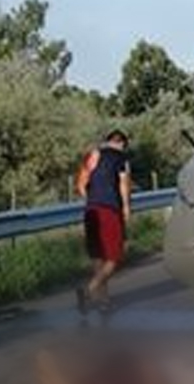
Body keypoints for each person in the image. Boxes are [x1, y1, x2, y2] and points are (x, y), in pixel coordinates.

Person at [75, 130, 132, 314]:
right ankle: (89, 291)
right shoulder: (121, 158)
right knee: (115, 256)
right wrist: (126, 207)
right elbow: (124, 184)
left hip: (92, 209)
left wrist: (93, 199)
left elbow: (80, 185)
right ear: (122, 144)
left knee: (98, 255)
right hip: (110, 209)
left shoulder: (92, 155)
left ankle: (103, 302)